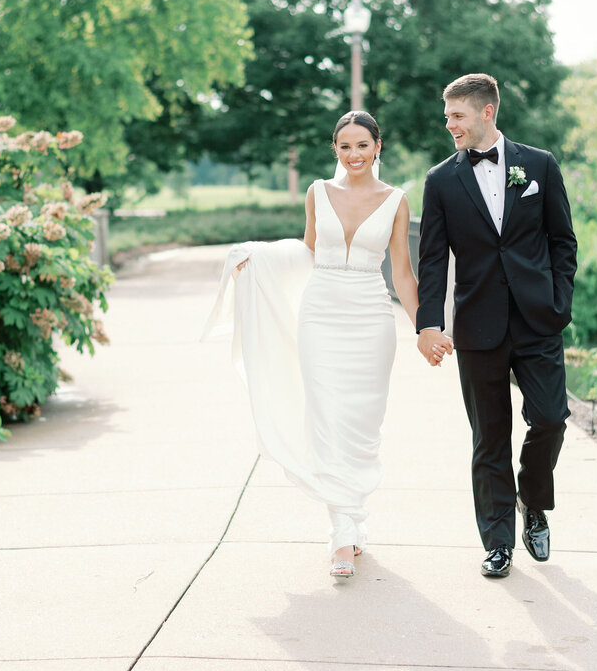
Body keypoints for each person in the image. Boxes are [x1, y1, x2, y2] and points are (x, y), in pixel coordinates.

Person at [206, 111, 420, 579]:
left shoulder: (396, 200)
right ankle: (341, 535)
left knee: (361, 423)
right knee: (326, 418)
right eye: (345, 146)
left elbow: (402, 272)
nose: (354, 154)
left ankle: (353, 516)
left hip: (370, 316)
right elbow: (307, 252)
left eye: (363, 144)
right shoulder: (317, 192)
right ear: (335, 150)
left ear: (378, 146)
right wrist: (258, 259)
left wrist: (425, 327)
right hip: (320, 316)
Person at [415, 73, 577, 579]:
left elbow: (562, 242)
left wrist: (559, 304)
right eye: (447, 117)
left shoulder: (540, 166)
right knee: (489, 437)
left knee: (550, 418)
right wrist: (429, 324)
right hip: (478, 324)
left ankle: (534, 501)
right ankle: (498, 542)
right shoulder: (440, 180)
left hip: (537, 320)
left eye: (457, 116)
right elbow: (434, 259)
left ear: (487, 112)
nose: (450, 126)